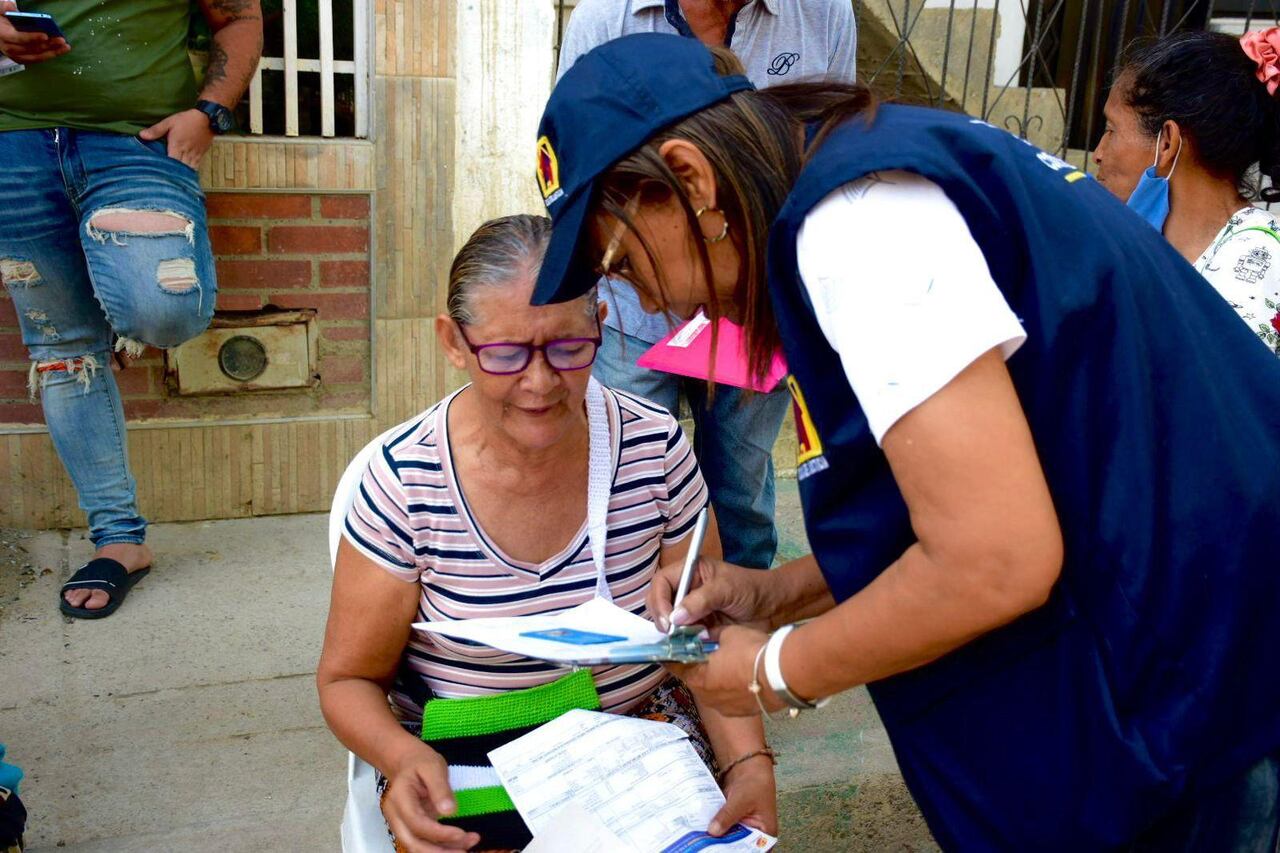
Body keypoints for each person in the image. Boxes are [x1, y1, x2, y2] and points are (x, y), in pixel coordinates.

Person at [530, 33, 1280, 850]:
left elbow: (993, 557)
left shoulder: (858, 224)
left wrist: (771, 672)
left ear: (694, 181)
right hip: (1185, 656)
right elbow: (977, 495)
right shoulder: (869, 173)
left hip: (1190, 690)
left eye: (623, 264)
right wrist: (777, 594)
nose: (657, 305)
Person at [316, 215, 776, 852]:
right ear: (453, 342)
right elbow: (347, 681)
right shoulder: (404, 482)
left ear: (599, 326)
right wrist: (400, 757)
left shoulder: (654, 447)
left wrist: (749, 764)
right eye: (505, 354)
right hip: (475, 762)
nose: (540, 382)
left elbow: (703, 636)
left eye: (567, 348)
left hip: (638, 746)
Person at [556, 0, 857, 569]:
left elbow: (822, 161)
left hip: (751, 308)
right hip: (631, 328)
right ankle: (640, 634)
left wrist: (764, 650)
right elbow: (580, 187)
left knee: (739, 489)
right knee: (630, 486)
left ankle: (738, 620)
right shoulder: (602, 22)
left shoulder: (824, 15)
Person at [0, 0, 262, 617]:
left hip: (136, 142)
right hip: (10, 144)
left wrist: (209, 112)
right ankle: (119, 541)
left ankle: (110, 311)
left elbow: (239, 17)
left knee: (163, 310)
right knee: (63, 352)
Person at [1094, 28, 1280, 354]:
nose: (1098, 152)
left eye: (1111, 130)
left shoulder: (1256, 262)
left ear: (1167, 143)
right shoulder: (1149, 250)